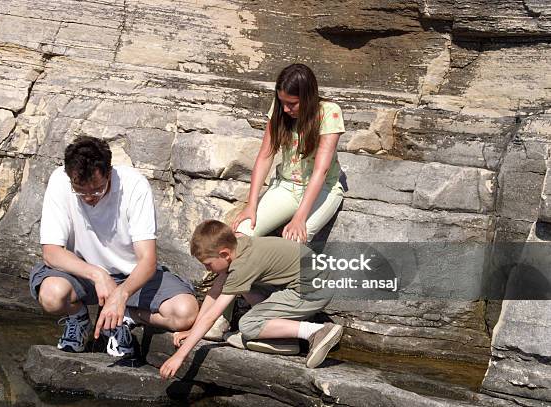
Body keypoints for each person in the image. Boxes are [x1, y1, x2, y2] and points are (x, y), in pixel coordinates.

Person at [29, 136, 199, 357]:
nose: (89, 198)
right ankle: (79, 319)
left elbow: (147, 260)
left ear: (109, 173)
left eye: (97, 190)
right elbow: (51, 253)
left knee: (185, 313)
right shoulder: (59, 181)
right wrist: (98, 275)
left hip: (131, 276)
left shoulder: (134, 185)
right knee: (52, 295)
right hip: (83, 274)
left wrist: (122, 294)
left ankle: (127, 315)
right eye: (80, 191)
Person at [159, 220, 343, 379]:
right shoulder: (238, 246)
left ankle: (317, 331)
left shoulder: (242, 267)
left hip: (314, 291)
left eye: (208, 264)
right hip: (310, 283)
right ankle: (284, 339)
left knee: (248, 324)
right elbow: (215, 291)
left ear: (224, 254)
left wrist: (180, 356)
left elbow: (211, 316)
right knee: (245, 286)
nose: (208, 269)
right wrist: (192, 330)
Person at [232, 63, 345, 244]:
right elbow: (265, 155)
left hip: (324, 189)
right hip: (286, 186)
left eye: (292, 103)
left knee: (292, 241)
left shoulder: (329, 112)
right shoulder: (280, 109)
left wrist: (300, 217)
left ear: (308, 97)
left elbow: (321, 170)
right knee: (242, 232)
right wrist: (251, 205)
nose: (285, 109)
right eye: (282, 102)